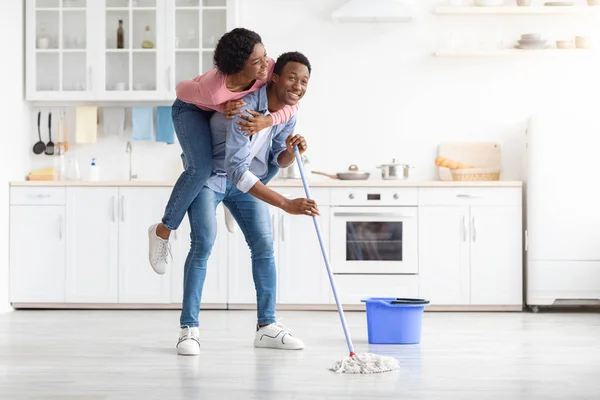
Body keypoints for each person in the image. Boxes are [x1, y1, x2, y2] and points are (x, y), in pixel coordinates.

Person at [176, 52, 315, 356]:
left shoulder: (289, 111)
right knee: (203, 244)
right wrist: (286, 204)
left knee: (264, 246)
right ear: (275, 76)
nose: (298, 85)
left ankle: (267, 327)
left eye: (304, 81)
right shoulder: (245, 108)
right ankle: (189, 329)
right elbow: (237, 171)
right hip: (213, 177)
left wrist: (291, 151)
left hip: (245, 181)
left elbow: (277, 157)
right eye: (292, 77)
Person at [148, 28, 303, 274]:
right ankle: (163, 230)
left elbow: (293, 105)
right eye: (257, 61)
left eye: (265, 56)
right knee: (201, 168)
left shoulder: (268, 69)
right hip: (191, 110)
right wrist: (219, 106)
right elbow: (180, 90)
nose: (266, 64)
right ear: (239, 67)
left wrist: (267, 121)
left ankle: (237, 198)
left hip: (220, 111)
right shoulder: (214, 88)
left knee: (270, 161)